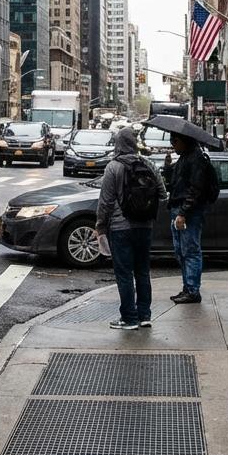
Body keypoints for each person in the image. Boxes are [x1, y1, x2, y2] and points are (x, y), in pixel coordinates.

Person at [98, 128, 162, 329]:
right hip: (145, 226)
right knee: (142, 271)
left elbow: (106, 202)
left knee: (124, 273)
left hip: (120, 227)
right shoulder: (148, 164)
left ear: (118, 144)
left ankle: (129, 318)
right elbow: (162, 192)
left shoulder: (113, 167)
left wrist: (100, 226)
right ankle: (144, 315)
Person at [167, 132, 216, 304]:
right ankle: (188, 287)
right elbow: (178, 184)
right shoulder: (185, 157)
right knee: (181, 250)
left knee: (190, 250)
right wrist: (167, 168)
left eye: (174, 141)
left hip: (188, 212)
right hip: (180, 209)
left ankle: (192, 290)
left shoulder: (196, 159)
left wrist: (183, 212)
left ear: (183, 140)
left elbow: (195, 189)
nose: (173, 144)